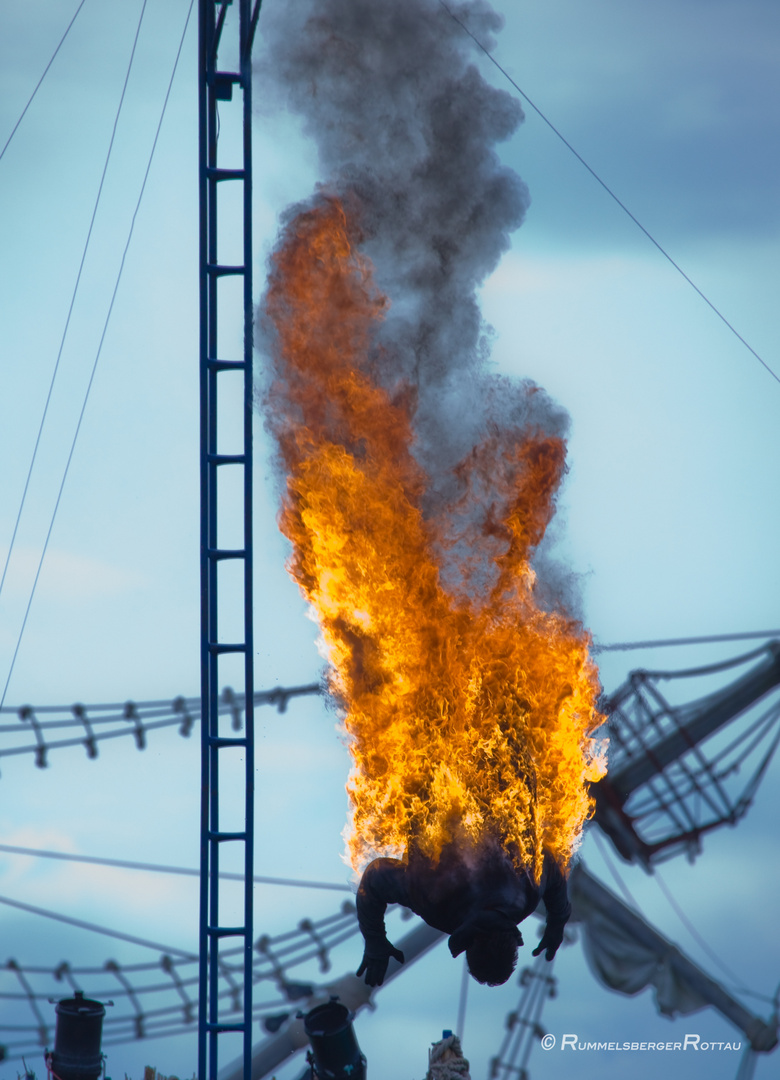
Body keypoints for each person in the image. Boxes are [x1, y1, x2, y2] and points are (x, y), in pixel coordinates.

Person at [355, 838, 571, 987]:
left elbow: (551, 864)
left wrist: (557, 920)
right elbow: (375, 877)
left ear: (513, 938)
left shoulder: (527, 893)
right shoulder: (435, 904)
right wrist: (374, 940)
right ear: (466, 945)